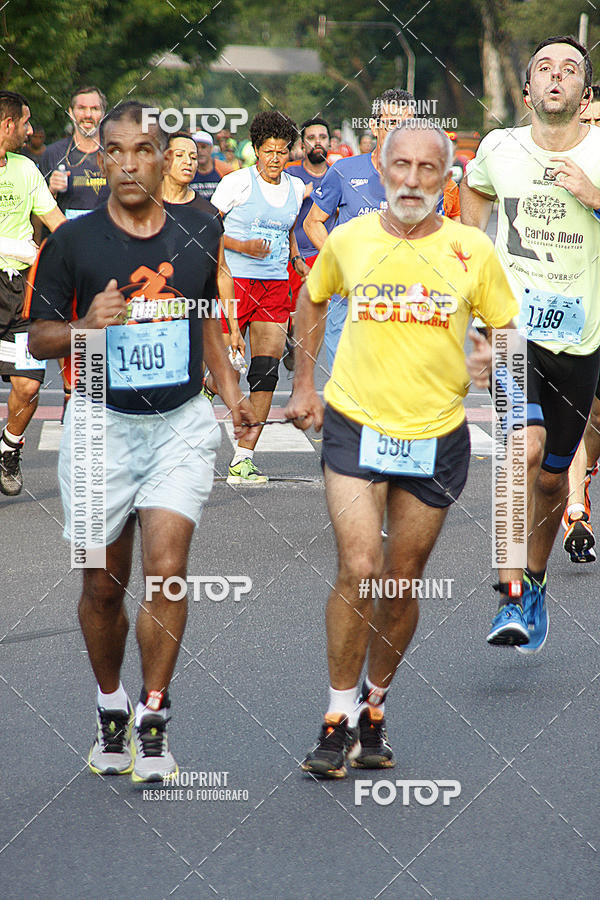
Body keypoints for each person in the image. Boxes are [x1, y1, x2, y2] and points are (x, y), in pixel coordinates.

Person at [25, 100, 259, 782]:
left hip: (180, 424)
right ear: (103, 161)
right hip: (99, 421)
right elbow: (37, 336)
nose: (129, 163)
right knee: (102, 584)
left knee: (168, 567)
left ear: (164, 159)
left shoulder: (199, 226)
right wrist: (83, 327)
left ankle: (153, 720)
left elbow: (205, 325)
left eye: (143, 150)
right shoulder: (73, 240)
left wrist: (232, 392)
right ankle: (111, 706)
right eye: (117, 152)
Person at [284, 122, 517, 778]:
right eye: (401, 166)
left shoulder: (472, 251)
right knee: (360, 566)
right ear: (381, 172)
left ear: (448, 180)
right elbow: (312, 297)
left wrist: (492, 362)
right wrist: (306, 383)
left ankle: (373, 706)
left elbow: (508, 333)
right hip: (355, 424)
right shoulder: (351, 240)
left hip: (436, 435)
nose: (412, 179)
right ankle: (335, 717)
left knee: (399, 578)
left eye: (428, 169)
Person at [461, 35, 600, 650]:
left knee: (551, 479)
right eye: (543, 66)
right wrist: (474, 299)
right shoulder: (499, 148)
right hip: (514, 332)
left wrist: (591, 195)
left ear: (584, 93)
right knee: (523, 448)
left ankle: (536, 582)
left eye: (569, 69)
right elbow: (474, 209)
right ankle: (509, 598)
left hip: (583, 339)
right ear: (527, 91)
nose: (555, 76)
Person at [211, 110, 308, 485]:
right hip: (232, 282)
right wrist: (242, 245)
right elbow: (206, 229)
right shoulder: (236, 184)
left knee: (265, 373)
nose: (275, 159)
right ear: (255, 150)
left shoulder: (295, 189)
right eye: (268, 151)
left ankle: (243, 459)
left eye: (282, 152)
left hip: (273, 287)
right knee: (227, 369)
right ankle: (209, 385)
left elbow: (289, 230)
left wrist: (296, 258)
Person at [304, 89, 413, 368]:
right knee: (348, 389)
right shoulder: (345, 170)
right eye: (391, 123)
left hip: (400, 299)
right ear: (375, 127)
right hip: (349, 296)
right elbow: (312, 222)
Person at [0, 91, 65, 497]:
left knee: (29, 381)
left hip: (20, 289)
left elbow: (55, 221)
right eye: (25, 123)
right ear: (7, 124)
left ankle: (8, 449)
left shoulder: (26, 168)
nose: (30, 130)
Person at [40, 86, 109, 421]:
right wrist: (51, 191)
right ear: (71, 113)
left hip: (102, 253)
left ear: (102, 114)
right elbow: (34, 213)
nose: (88, 115)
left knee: (95, 323)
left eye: (94, 109)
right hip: (64, 255)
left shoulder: (111, 154)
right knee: (66, 323)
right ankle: (72, 391)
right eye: (82, 108)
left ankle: (86, 396)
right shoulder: (54, 154)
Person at [161, 130, 244, 385]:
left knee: (188, 386)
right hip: (149, 316)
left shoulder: (207, 214)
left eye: (193, 157)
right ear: (164, 160)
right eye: (180, 155)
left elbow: (221, 272)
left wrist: (234, 327)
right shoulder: (143, 205)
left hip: (194, 316)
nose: (189, 162)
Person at [560, 81, 600, 562]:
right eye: (586, 124)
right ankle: (575, 510)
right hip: (575, 314)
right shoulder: (558, 170)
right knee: (575, 415)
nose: (592, 134)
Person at [284, 118, 332, 368]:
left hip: (323, 254)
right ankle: (292, 343)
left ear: (330, 142)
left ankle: (303, 374)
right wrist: (299, 195)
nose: (317, 143)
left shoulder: (338, 174)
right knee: (294, 317)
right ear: (302, 144)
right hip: (293, 256)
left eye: (322, 137)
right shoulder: (290, 173)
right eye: (311, 138)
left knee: (318, 316)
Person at [190, 131, 232, 200]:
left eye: (204, 147)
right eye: (196, 148)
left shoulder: (225, 169)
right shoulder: (187, 169)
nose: (200, 151)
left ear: (211, 149)